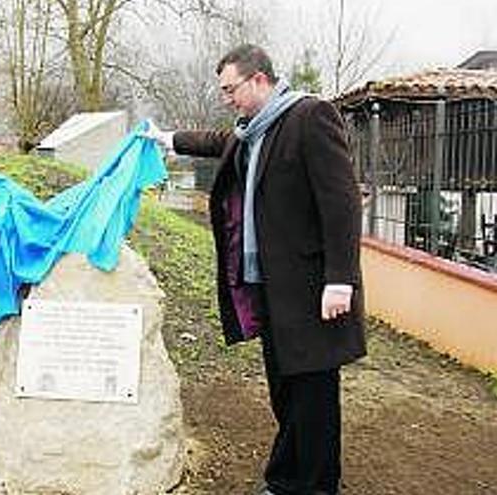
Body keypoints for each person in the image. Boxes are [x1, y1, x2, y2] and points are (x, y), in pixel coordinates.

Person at [145, 44, 365, 495]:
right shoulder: (253, 131)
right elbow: (217, 143)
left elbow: (342, 202)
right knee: (286, 392)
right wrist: (166, 138)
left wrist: (340, 280)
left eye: (231, 89)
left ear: (259, 79)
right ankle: (288, 482)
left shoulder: (310, 117)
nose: (227, 99)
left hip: (313, 288)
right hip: (271, 288)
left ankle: (317, 486)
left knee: (314, 396)